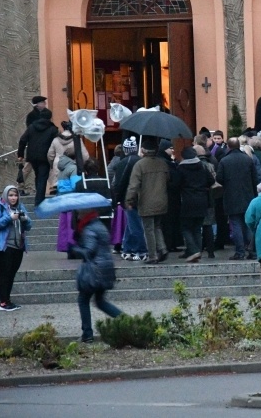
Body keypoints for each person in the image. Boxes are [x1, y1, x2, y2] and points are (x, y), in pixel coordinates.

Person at [68, 207, 122, 343]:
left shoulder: (89, 229)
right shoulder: (99, 225)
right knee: (100, 301)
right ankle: (128, 322)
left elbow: (88, 252)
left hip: (95, 270)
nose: (78, 216)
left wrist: (74, 249)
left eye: (79, 212)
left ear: (85, 213)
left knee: (83, 300)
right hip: (105, 267)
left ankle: (87, 334)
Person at [125, 139, 170, 264]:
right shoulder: (162, 164)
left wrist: (129, 200)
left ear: (143, 150)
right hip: (161, 200)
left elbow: (133, 185)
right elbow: (168, 179)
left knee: (148, 228)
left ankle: (152, 255)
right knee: (157, 226)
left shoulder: (140, 165)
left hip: (146, 201)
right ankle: (162, 248)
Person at [0, 186, 32, 311]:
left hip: (18, 247)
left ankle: (7, 300)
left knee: (11, 274)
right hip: (4, 247)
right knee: (4, 274)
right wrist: (9, 217)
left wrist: (25, 220)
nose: (13, 198)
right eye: (10, 195)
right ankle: (3, 302)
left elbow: (29, 225)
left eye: (15, 195)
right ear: (5, 196)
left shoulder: (20, 207)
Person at [217, 138, 259, 260]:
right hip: (247, 196)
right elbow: (255, 178)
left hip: (231, 196)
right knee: (248, 224)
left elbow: (219, 178)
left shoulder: (224, 161)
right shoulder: (248, 159)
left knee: (235, 223)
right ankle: (251, 251)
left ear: (228, 147)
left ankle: (240, 251)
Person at [176, 146, 214, 262]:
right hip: (202, 200)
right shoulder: (202, 166)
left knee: (186, 227)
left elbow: (176, 184)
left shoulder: (181, 169)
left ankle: (193, 251)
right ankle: (198, 251)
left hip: (187, 201)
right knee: (197, 228)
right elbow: (211, 181)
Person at [17, 108, 59, 207]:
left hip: (32, 156)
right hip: (45, 157)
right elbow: (57, 143)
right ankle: (39, 201)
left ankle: (39, 198)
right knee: (42, 178)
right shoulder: (53, 129)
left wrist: (21, 154)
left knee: (38, 176)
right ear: (50, 117)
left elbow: (22, 140)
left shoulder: (32, 127)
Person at [46, 121, 90, 196]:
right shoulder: (76, 140)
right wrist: (84, 165)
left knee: (59, 188)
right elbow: (85, 156)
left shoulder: (56, 139)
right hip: (73, 166)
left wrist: (52, 164)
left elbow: (50, 155)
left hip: (58, 165)